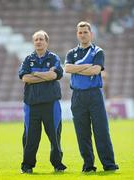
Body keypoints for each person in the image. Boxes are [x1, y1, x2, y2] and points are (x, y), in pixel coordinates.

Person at [64, 21, 119, 172]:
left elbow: (95, 71)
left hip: (94, 95)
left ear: (91, 34)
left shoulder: (98, 51)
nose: (82, 35)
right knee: (82, 133)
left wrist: (78, 68)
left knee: (101, 130)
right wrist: (86, 66)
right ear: (77, 34)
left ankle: (109, 164)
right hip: (77, 96)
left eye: (85, 32)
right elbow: (67, 68)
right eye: (80, 32)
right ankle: (88, 166)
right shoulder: (71, 53)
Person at [18, 30, 67, 174]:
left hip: (50, 103)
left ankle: (58, 165)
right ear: (34, 42)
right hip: (31, 104)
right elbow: (25, 78)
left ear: (47, 42)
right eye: (36, 40)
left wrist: (35, 73)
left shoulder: (53, 58)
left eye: (41, 39)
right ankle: (27, 166)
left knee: (54, 136)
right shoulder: (28, 59)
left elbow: (55, 75)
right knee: (30, 138)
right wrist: (45, 75)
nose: (38, 42)